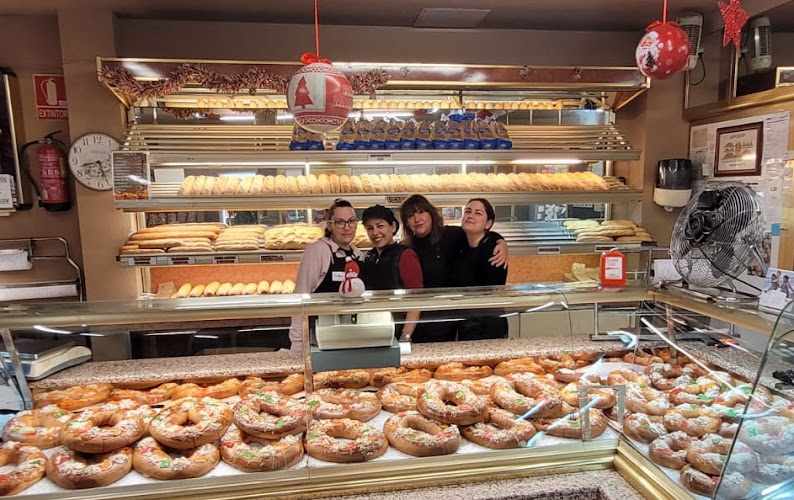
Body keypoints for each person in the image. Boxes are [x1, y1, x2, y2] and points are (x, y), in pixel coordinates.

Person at [399, 194, 508, 342]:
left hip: (454, 319)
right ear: (406, 223)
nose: (417, 219)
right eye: (410, 216)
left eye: (421, 212)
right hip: (419, 319)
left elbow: (480, 233)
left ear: (431, 214)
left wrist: (501, 242)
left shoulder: (452, 235)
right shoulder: (405, 249)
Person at [288, 199, 362, 353]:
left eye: (351, 221)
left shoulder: (358, 255)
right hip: (320, 341)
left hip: (350, 338)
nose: (347, 227)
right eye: (340, 222)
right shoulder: (317, 251)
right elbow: (300, 298)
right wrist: (298, 346)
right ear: (329, 225)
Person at [360, 204, 423, 340]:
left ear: (393, 227)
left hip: (397, 330)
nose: (375, 232)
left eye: (380, 226)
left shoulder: (405, 255)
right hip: (374, 329)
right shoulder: (369, 257)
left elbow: (416, 301)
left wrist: (405, 336)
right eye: (370, 228)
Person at [450, 198, 508, 340]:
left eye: (478, 213)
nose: (470, 216)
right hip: (466, 321)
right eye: (468, 211)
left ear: (488, 223)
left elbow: (488, 295)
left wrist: (501, 242)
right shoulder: (459, 243)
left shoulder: (494, 250)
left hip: (488, 324)